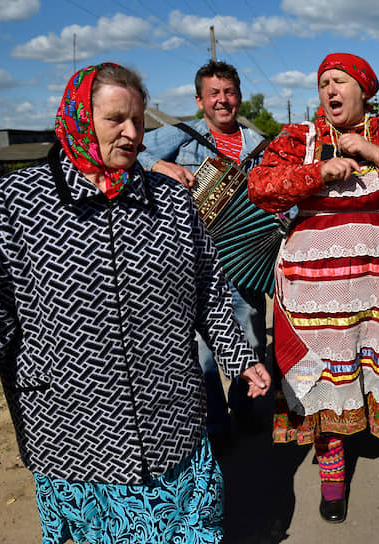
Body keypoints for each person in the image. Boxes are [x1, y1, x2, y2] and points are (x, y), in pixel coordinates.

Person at [0, 63, 271, 543]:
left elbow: (207, 288)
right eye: (115, 120)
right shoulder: (13, 204)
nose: (132, 133)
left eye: (139, 121)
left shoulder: (171, 202)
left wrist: (237, 356)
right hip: (72, 433)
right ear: (81, 119)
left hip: (172, 421)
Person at [247, 52, 379, 524]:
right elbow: (261, 186)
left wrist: (375, 154)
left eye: (340, 82)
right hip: (319, 288)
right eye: (324, 84)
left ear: (363, 91)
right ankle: (332, 475)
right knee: (326, 376)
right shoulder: (302, 137)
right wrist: (318, 172)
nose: (331, 91)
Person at [137, 60, 268, 434]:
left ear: (239, 97)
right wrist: (159, 167)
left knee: (252, 338)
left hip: (245, 261)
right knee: (204, 351)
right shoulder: (180, 135)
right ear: (199, 100)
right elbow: (132, 151)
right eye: (214, 94)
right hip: (197, 263)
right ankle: (214, 422)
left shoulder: (257, 144)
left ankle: (245, 409)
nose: (222, 100)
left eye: (229, 92)